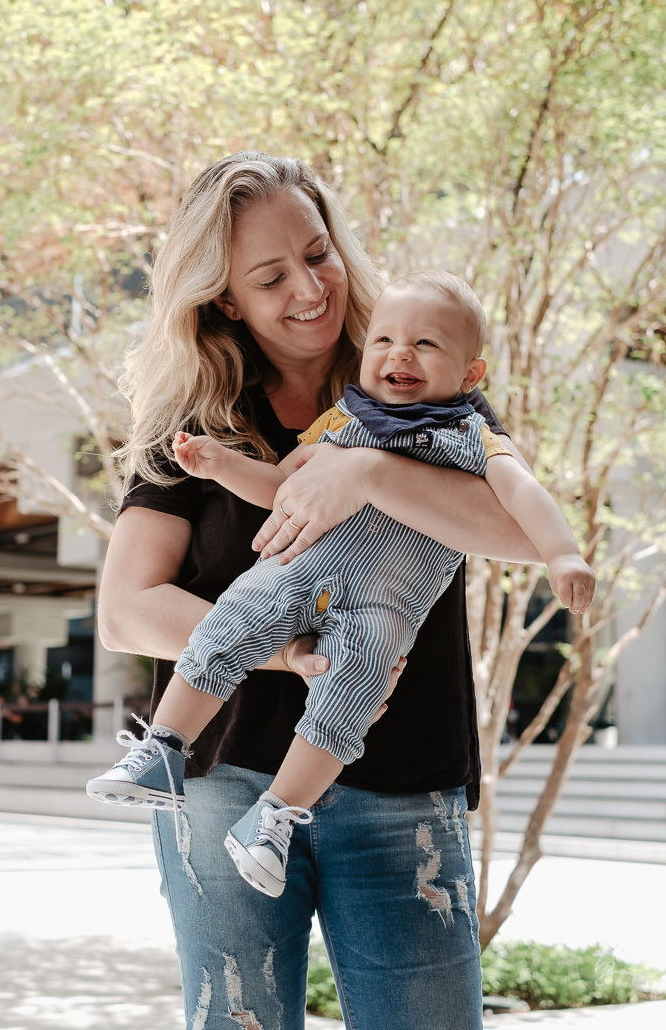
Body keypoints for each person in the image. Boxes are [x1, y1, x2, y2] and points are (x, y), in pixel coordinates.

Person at [95, 151, 545, 1030]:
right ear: (226, 298)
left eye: (318, 252)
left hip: (406, 783)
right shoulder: (195, 420)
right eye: (270, 277)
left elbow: (528, 531)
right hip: (223, 779)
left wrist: (367, 474)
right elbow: (126, 610)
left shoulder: (419, 380)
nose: (311, 287)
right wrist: (299, 656)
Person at [87, 272, 594, 900]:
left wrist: (563, 554)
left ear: (470, 375)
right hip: (298, 573)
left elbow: (525, 498)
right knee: (227, 628)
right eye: (384, 339)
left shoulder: (472, 435)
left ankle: (274, 817)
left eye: (426, 345)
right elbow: (284, 490)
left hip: (381, 609)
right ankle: (164, 746)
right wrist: (222, 466)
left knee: (348, 699)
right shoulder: (343, 418)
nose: (400, 354)